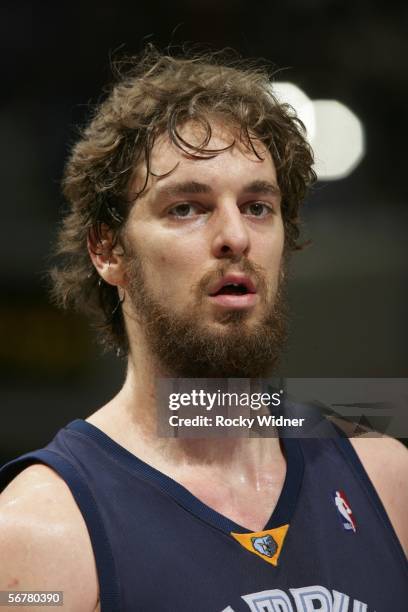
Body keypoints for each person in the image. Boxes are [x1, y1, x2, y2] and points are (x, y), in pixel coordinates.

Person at [1, 47, 407, 612]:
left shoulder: (385, 479)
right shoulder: (42, 531)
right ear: (107, 250)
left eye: (258, 206)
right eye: (187, 207)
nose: (235, 236)